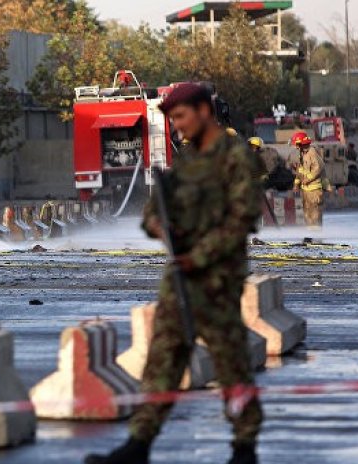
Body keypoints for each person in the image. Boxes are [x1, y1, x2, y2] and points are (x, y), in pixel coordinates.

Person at [84, 83, 264, 464]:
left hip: (216, 280)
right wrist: (159, 226)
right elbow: (156, 209)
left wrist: (198, 256)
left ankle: (244, 447)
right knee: (162, 362)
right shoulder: (187, 159)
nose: (177, 127)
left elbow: (242, 220)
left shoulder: (235, 156)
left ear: (203, 111)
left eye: (181, 117)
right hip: (180, 279)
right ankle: (139, 444)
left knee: (231, 365)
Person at [291, 132, 325, 228]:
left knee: (315, 212)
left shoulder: (312, 152)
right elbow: (300, 171)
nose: (296, 147)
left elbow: (317, 168)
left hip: (314, 190)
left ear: (302, 143)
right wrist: (296, 184)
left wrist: (307, 179)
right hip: (305, 189)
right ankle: (310, 234)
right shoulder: (302, 154)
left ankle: (317, 235)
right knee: (307, 212)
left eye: (297, 145)